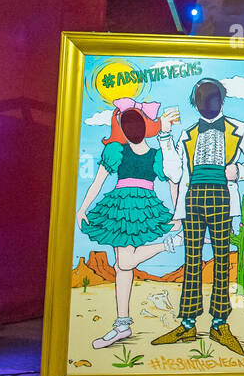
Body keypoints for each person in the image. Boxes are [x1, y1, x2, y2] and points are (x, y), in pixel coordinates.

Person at [153, 78, 244, 354]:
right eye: (202, 99)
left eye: (212, 98)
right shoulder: (186, 134)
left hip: (222, 197)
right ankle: (188, 323)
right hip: (193, 198)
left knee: (219, 258)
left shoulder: (240, 129)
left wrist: (237, 171)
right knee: (191, 259)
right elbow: (174, 174)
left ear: (222, 100)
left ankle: (219, 323)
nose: (208, 104)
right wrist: (165, 137)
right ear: (196, 104)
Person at [76, 99, 182, 349]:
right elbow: (99, 180)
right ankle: (122, 324)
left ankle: (169, 244)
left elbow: (173, 181)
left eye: (137, 123)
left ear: (147, 126)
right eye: (127, 124)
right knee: (122, 267)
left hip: (143, 206)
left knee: (124, 262)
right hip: (119, 206)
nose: (132, 129)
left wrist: (178, 212)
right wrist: (82, 207)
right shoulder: (116, 151)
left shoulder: (156, 156)